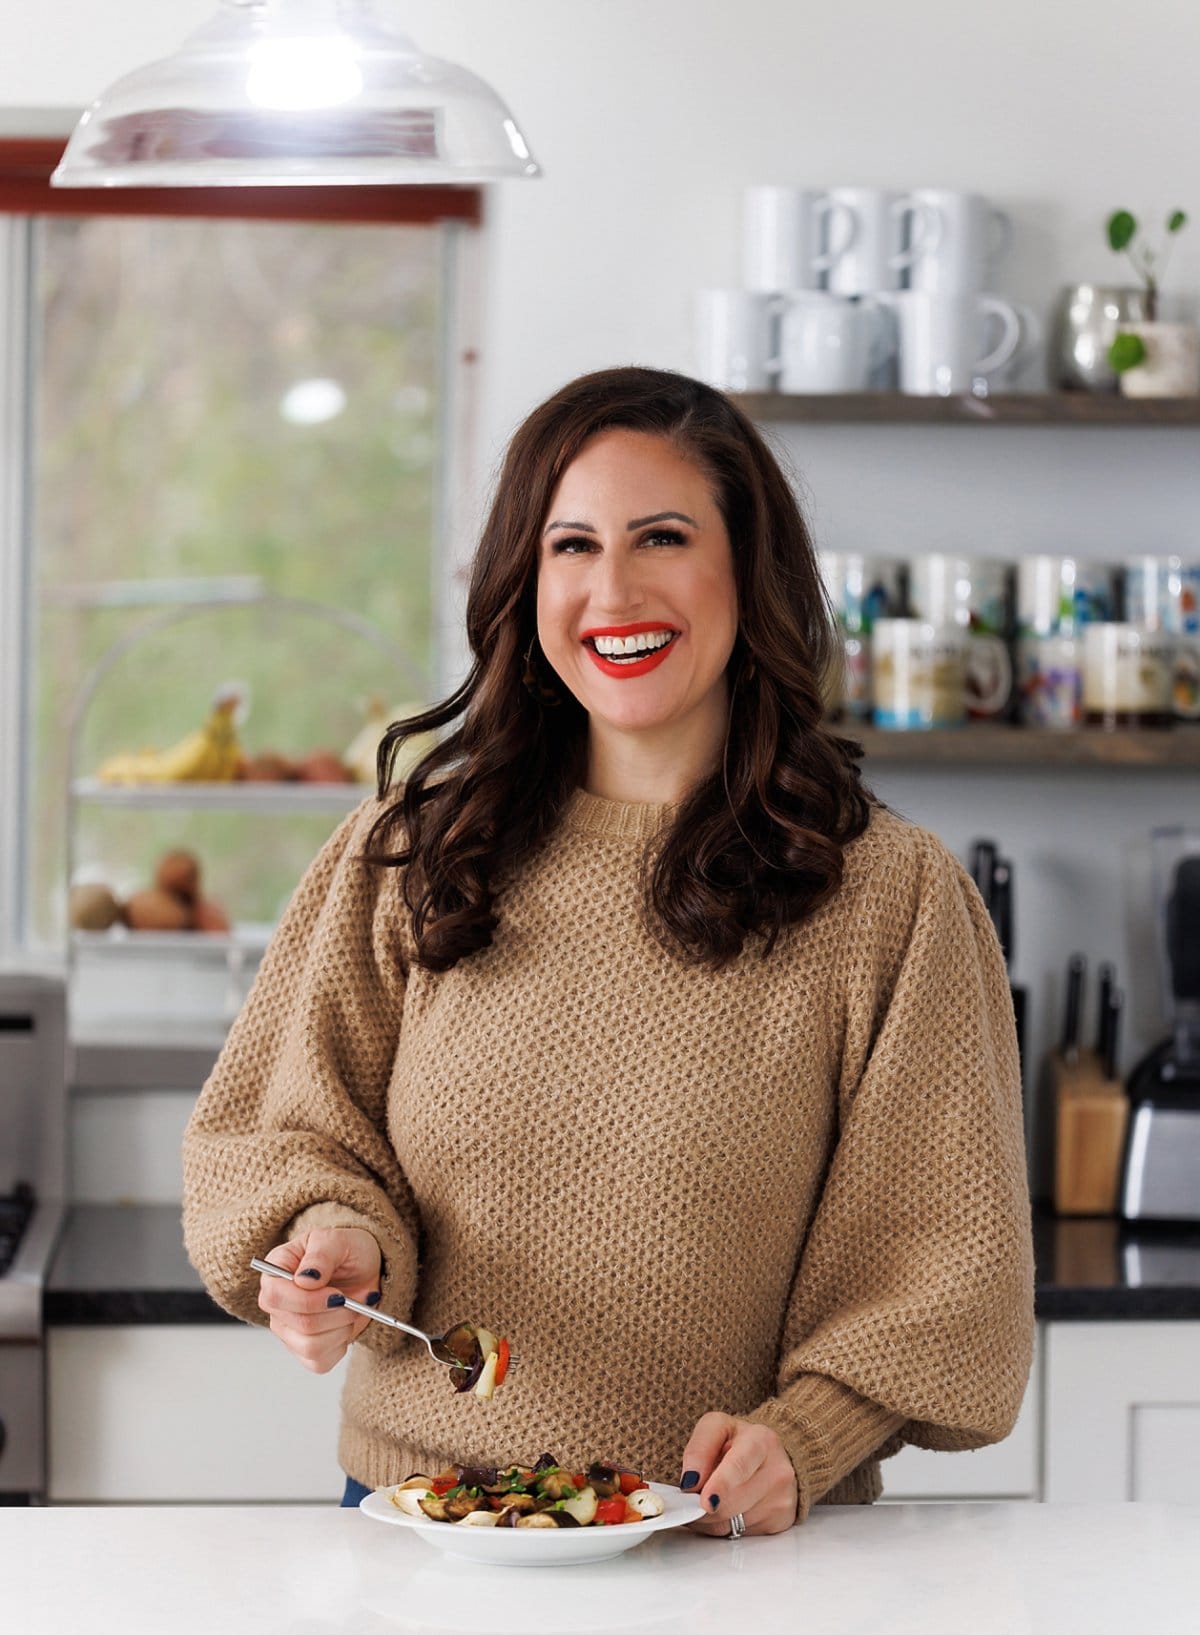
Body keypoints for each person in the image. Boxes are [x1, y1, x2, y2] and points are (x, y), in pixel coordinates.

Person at [182, 366, 1034, 1538]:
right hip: (423, 1535)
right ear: (525, 582)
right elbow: (277, 1132)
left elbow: (939, 1261)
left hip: (729, 1546)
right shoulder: (408, 853)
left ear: (751, 571)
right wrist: (335, 1242)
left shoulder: (893, 898)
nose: (613, 589)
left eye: (663, 538)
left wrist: (806, 1437)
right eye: (572, 545)